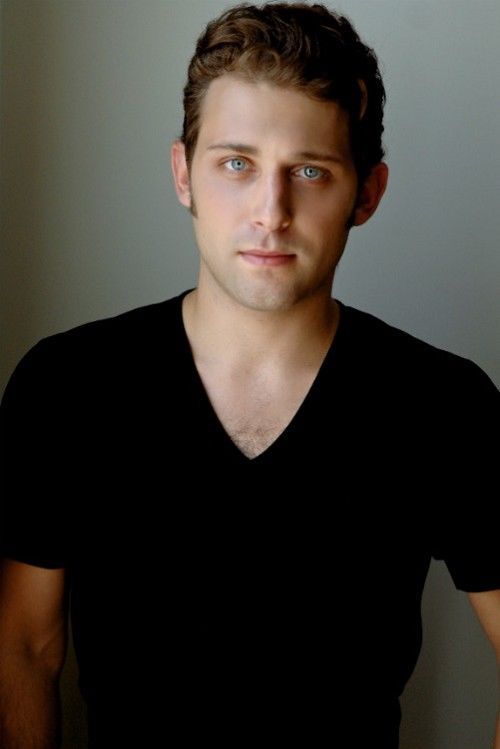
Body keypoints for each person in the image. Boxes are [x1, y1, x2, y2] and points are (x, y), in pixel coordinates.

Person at [0, 2, 499, 747]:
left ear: (366, 193)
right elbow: (24, 649)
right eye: (236, 163)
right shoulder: (68, 387)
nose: (271, 211)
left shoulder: (443, 404)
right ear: (183, 174)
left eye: (310, 171)